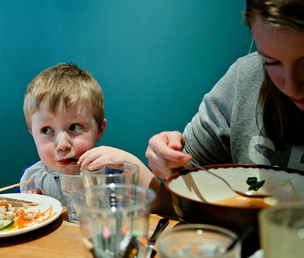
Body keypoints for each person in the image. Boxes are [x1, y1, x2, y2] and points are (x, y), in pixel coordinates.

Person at [146, 0, 304, 180]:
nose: (291, 88)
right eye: (271, 62)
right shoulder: (244, 79)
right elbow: (189, 181)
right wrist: (168, 158)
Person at [20, 63, 163, 208]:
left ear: (100, 130)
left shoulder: (114, 173)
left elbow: (163, 205)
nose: (62, 144)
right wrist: (30, 206)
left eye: (74, 127)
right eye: (46, 130)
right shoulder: (33, 177)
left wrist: (131, 162)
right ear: (32, 133)